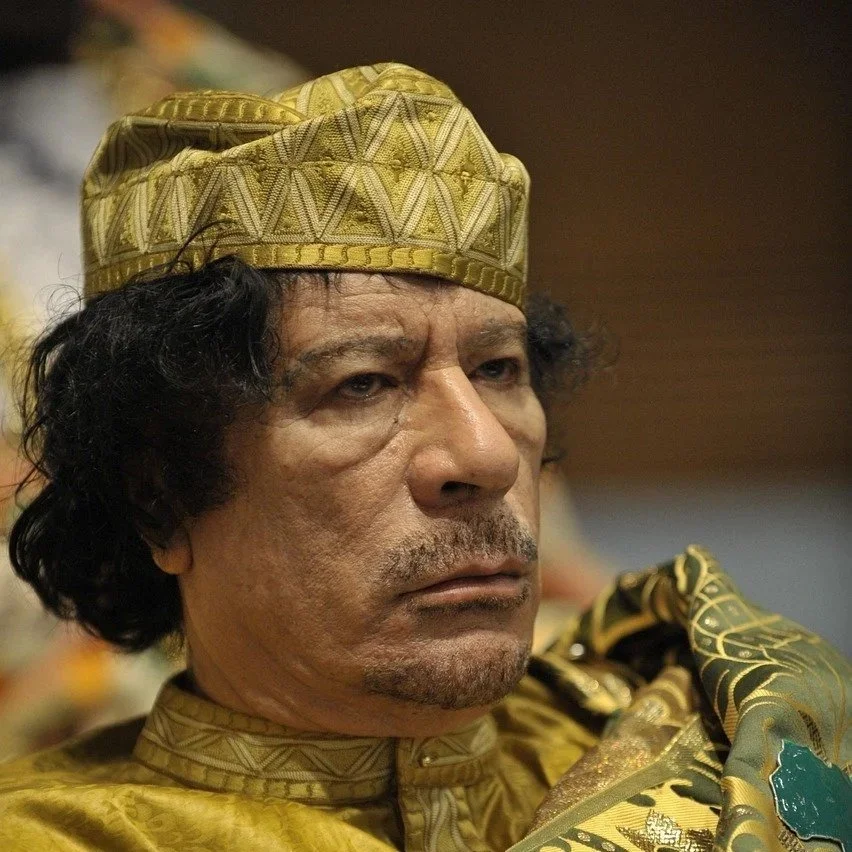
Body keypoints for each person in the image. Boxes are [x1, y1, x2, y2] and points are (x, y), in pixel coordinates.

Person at [0, 63, 848, 852]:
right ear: (159, 499)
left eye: (498, 369)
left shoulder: (714, 742)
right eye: (363, 384)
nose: (487, 453)